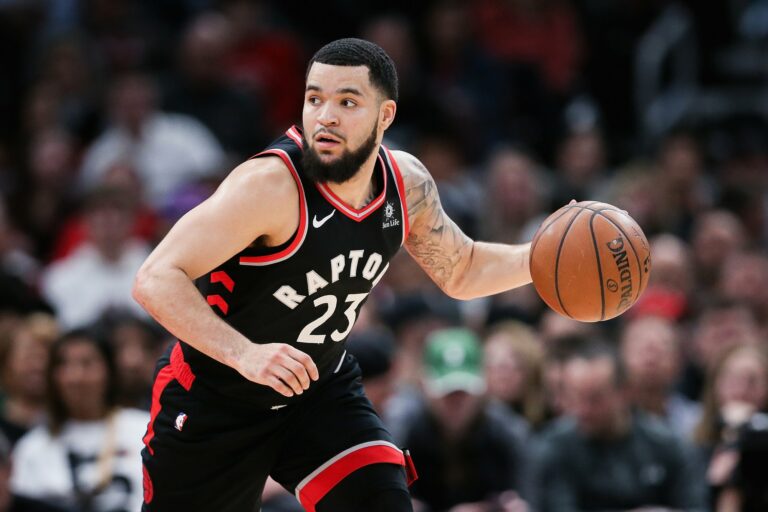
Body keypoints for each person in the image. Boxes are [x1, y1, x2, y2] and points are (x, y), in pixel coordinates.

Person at [133, 38, 533, 512]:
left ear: (385, 116)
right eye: (314, 98)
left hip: (316, 392)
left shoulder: (404, 183)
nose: (325, 115)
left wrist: (542, 259)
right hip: (216, 399)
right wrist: (245, 354)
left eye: (347, 101)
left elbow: (462, 270)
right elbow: (155, 278)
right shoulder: (270, 185)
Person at [537, 343, 707, 512]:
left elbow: (696, 505)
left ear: (625, 392)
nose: (582, 410)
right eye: (574, 397)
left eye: (594, 399)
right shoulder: (555, 446)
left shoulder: (667, 445)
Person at [10, 329, 148, 511]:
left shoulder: (146, 430)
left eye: (87, 363)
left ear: (109, 370)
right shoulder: (32, 449)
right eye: (64, 365)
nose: (75, 377)